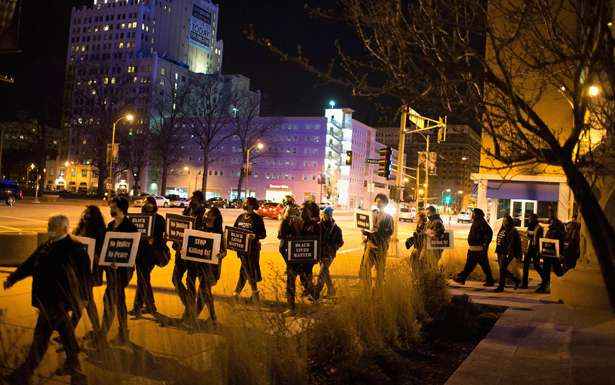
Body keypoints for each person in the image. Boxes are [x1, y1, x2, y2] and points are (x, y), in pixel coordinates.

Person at [3, 215, 89, 385]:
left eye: (53, 225)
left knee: (42, 340)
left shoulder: (75, 248)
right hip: (46, 300)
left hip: (59, 301)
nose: (49, 227)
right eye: (50, 224)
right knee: (65, 338)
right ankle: (77, 374)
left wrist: (84, 297)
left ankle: (23, 376)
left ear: (64, 228)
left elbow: (85, 275)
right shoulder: (47, 245)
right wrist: (13, 278)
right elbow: (29, 264)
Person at [101, 196, 138, 344]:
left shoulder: (130, 227)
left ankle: (103, 333)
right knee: (118, 300)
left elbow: (133, 250)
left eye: (113, 207)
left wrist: (121, 263)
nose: (111, 209)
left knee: (110, 298)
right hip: (111, 270)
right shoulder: (110, 226)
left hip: (123, 271)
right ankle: (122, 332)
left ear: (121, 209)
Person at [71, 205, 106, 343]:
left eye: (89, 214)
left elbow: (102, 251)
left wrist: (96, 257)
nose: (85, 216)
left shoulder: (99, 231)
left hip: (90, 271)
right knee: (85, 300)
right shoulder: (80, 229)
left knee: (85, 300)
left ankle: (69, 330)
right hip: (79, 270)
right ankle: (96, 331)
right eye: (85, 214)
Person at [186, 207, 226, 325]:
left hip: (211, 269)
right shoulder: (200, 228)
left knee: (203, 291)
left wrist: (220, 255)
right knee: (206, 293)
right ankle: (214, 318)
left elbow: (224, 251)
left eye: (208, 214)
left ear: (214, 217)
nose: (205, 216)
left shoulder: (218, 232)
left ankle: (194, 318)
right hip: (200, 266)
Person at [279, 202, 320, 312]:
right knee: (290, 283)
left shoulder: (314, 225)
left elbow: (317, 244)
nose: (301, 212)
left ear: (310, 212)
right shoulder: (292, 223)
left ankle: (315, 301)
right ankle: (291, 307)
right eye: (300, 210)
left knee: (306, 283)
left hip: (307, 262)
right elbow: (282, 240)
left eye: (304, 210)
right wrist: (285, 220)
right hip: (294, 261)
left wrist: (313, 260)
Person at [130, 196, 166, 317]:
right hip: (140, 253)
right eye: (146, 203)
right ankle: (145, 306)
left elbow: (162, 238)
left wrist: (154, 241)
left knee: (143, 279)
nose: (147, 205)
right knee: (143, 279)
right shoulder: (139, 219)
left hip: (151, 254)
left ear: (154, 205)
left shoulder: (159, 219)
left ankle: (143, 306)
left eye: (150, 203)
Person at [172, 190, 206, 319]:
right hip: (181, 253)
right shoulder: (186, 212)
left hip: (193, 255)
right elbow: (179, 229)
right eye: (192, 199)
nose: (192, 201)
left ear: (200, 201)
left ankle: (188, 312)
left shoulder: (203, 215)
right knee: (175, 279)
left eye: (195, 199)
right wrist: (175, 240)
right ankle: (189, 304)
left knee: (190, 282)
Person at [232, 197, 267, 301]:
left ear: (251, 205)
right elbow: (234, 230)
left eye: (246, 202)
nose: (244, 204)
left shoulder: (257, 218)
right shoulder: (240, 217)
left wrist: (255, 236)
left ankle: (252, 292)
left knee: (248, 269)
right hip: (241, 249)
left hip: (253, 249)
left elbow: (263, 234)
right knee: (245, 269)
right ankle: (248, 292)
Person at [359, 194, 394, 290]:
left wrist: (378, 230)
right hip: (370, 245)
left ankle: (378, 290)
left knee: (380, 270)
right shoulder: (372, 213)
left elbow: (390, 231)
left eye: (380, 202)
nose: (378, 203)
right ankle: (367, 288)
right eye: (377, 201)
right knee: (365, 268)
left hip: (381, 247)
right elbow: (367, 228)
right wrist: (364, 230)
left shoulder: (388, 217)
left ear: (385, 203)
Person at [453, 208, 495, 286]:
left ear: (476, 214)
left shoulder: (481, 222)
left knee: (471, 265)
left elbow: (489, 233)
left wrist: (485, 244)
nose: (471, 215)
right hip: (475, 248)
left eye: (473, 213)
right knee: (480, 265)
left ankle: (462, 278)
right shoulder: (478, 221)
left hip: (478, 249)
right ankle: (490, 280)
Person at [315, 206, 343, 298]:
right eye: (323, 214)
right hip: (320, 253)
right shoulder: (318, 226)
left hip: (329, 254)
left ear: (330, 215)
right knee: (325, 272)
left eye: (326, 215)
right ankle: (331, 291)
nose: (324, 216)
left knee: (322, 273)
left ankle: (316, 293)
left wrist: (333, 248)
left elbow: (340, 242)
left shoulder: (336, 229)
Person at [535, 215, 566, 293]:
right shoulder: (550, 231)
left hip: (554, 254)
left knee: (557, 270)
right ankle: (545, 286)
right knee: (547, 270)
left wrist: (560, 253)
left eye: (551, 222)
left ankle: (561, 285)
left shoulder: (558, 232)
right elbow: (546, 241)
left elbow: (560, 243)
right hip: (548, 254)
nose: (550, 223)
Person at [494, 215, 522, 292]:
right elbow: (499, 240)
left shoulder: (513, 231)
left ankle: (501, 286)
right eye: (503, 221)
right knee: (502, 269)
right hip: (500, 251)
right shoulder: (503, 229)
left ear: (509, 222)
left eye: (506, 221)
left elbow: (512, 243)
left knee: (502, 269)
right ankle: (516, 280)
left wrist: (509, 253)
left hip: (506, 252)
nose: (504, 222)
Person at [524, 213, 544, 289]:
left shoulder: (539, 228)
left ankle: (545, 279)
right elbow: (528, 236)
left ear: (534, 219)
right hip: (530, 248)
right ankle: (524, 283)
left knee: (536, 265)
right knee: (526, 264)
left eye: (530, 219)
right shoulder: (530, 227)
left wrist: (539, 251)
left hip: (536, 248)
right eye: (529, 218)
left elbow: (540, 239)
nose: (529, 220)